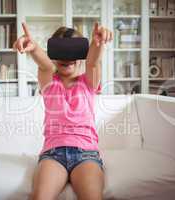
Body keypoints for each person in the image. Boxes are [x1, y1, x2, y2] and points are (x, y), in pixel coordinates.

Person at [13, 22, 113, 200]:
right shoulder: (49, 82)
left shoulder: (88, 82)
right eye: (61, 50)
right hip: (53, 154)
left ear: (81, 54)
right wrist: (34, 48)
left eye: (72, 50)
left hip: (86, 154)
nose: (66, 57)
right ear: (53, 53)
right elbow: (45, 66)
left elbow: (93, 63)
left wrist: (97, 44)